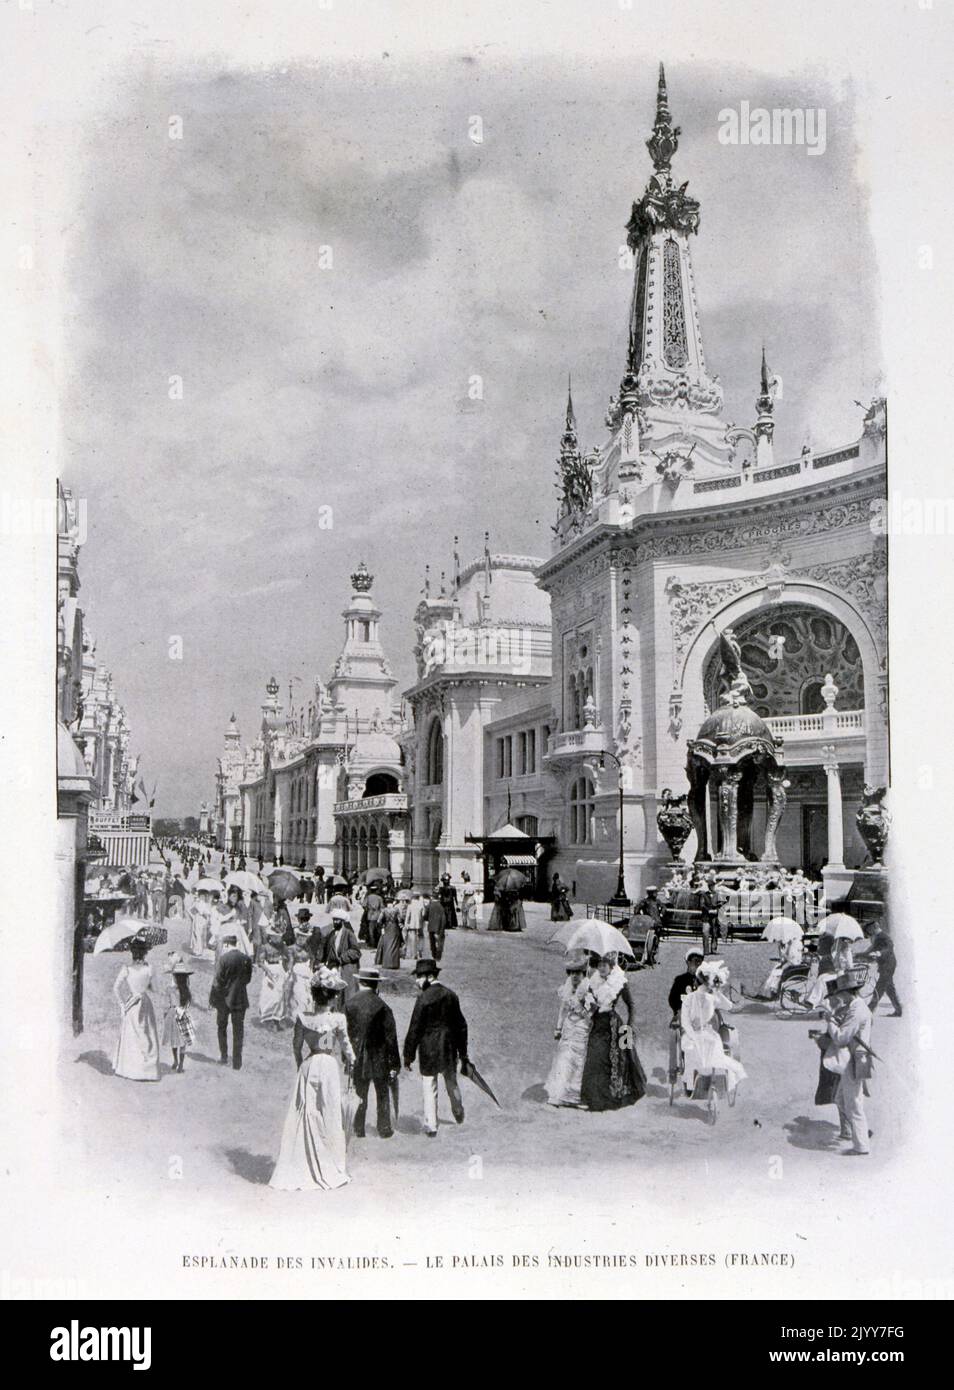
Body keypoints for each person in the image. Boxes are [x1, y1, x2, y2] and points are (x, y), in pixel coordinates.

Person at [269, 966, 355, 1191]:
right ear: (333, 997)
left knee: (306, 1112)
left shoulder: (303, 1019)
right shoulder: (336, 1019)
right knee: (328, 1111)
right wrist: (352, 1061)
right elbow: (344, 1046)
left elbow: (296, 1046)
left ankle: (303, 1160)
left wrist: (301, 1064)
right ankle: (330, 1163)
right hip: (326, 1065)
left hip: (308, 1065)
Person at [403, 958, 469, 1137]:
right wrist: (463, 1054)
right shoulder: (451, 995)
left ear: (429, 977)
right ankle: (458, 1110)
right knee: (451, 1081)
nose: (417, 981)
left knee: (429, 1085)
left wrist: (408, 1056)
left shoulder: (423, 999)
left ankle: (431, 1125)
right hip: (448, 1048)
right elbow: (461, 1026)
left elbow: (414, 1029)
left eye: (419, 977)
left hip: (428, 1049)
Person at [816, 968, 874, 1154]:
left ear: (848, 992)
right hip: (855, 1058)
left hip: (855, 1060)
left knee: (853, 1104)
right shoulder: (857, 1006)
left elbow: (841, 1038)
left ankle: (861, 1146)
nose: (839, 997)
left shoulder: (857, 1009)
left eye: (840, 993)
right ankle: (861, 1134)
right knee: (841, 1099)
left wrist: (830, 1021)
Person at [579, 953, 646, 1111]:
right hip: (597, 1024)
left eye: (605, 965)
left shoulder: (619, 981)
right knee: (594, 1058)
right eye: (599, 965)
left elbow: (631, 1005)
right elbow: (585, 1001)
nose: (601, 968)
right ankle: (592, 1097)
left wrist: (629, 1026)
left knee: (614, 1059)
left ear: (611, 966)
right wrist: (588, 1002)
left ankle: (609, 1098)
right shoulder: (593, 980)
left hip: (612, 1024)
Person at [345, 966, 400, 1139]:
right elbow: (391, 1039)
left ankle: (358, 1128)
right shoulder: (383, 1007)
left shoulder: (350, 1004)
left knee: (359, 1092)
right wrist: (394, 1064)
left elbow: (345, 1034)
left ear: (359, 982)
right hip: (379, 1057)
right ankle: (384, 1128)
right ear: (376, 985)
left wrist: (347, 1058)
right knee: (382, 1092)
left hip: (357, 1056)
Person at [680, 959, 746, 1099]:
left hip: (697, 1035)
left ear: (696, 982)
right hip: (706, 1035)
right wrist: (717, 992)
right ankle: (705, 1078)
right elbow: (729, 1006)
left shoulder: (691, 998)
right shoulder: (711, 998)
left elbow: (685, 1023)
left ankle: (694, 1082)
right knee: (711, 1048)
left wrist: (693, 1035)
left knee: (693, 1048)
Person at [544, 959, 593, 1107]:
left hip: (582, 1027)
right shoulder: (566, 988)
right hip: (568, 1027)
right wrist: (558, 1027)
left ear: (583, 973)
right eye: (572, 973)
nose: (574, 976)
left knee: (578, 1060)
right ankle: (558, 1094)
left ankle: (575, 1096)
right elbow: (563, 1009)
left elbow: (592, 1011)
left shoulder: (587, 988)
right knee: (564, 1059)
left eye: (578, 973)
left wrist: (581, 1009)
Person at [112, 937, 161, 1082]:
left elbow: (116, 988)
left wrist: (122, 1004)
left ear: (132, 953)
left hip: (132, 1003)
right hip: (144, 1003)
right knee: (147, 1032)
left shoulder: (126, 969)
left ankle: (130, 1068)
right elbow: (154, 988)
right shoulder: (149, 968)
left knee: (132, 1034)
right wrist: (147, 984)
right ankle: (147, 1069)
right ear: (145, 953)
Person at [209, 935, 253, 1070]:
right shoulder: (246, 959)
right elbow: (248, 979)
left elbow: (217, 981)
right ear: (236, 943)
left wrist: (212, 999)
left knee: (221, 1027)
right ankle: (237, 1063)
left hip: (223, 999)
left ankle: (223, 1056)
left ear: (227, 945)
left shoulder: (223, 959)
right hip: (240, 998)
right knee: (238, 1030)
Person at [160, 955, 196, 1073]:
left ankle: (175, 1061)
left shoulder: (169, 990)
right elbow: (189, 1003)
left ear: (174, 977)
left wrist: (165, 1015)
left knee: (174, 1041)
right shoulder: (187, 990)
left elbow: (166, 1004)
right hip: (183, 1015)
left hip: (172, 1014)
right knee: (183, 1041)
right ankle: (181, 1064)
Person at [322, 908, 362, 997]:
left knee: (348, 993)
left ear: (342, 921)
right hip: (335, 968)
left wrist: (341, 958)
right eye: (334, 920)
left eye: (338, 920)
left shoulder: (349, 933)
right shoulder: (331, 934)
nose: (335, 922)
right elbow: (327, 950)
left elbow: (356, 952)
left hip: (347, 967)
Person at [868, 930, 902, 1016]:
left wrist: (880, 953)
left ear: (874, 927)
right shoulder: (876, 937)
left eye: (869, 930)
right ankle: (898, 1010)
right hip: (885, 966)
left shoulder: (884, 936)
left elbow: (889, 948)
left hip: (888, 966)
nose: (868, 933)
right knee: (889, 989)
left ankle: (869, 1010)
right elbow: (871, 950)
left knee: (879, 988)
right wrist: (858, 955)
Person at [668, 948, 703, 1016]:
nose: (698, 964)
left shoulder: (703, 981)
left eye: (700, 962)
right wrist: (678, 1010)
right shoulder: (680, 980)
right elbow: (672, 999)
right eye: (695, 961)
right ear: (688, 962)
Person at [258, 951, 289, 1030]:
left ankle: (276, 1019)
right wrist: (267, 971)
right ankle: (268, 1020)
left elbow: (287, 959)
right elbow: (259, 962)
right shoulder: (265, 947)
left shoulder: (282, 947)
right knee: (269, 996)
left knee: (279, 997)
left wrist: (286, 971)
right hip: (269, 970)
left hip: (279, 970)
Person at [375, 902, 404, 970]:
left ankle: (386, 963)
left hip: (387, 928)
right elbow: (400, 920)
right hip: (395, 928)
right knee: (394, 945)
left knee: (387, 945)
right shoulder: (396, 910)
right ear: (393, 903)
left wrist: (383, 926)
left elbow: (379, 921)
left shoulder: (384, 910)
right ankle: (394, 964)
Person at [424, 891, 447, 962]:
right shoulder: (441, 907)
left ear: (432, 897)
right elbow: (444, 919)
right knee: (440, 942)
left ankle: (433, 954)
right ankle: (438, 956)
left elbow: (425, 916)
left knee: (432, 942)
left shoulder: (429, 906)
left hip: (431, 927)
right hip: (439, 927)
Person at [403, 892, 425, 959]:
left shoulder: (410, 905)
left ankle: (413, 954)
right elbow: (423, 914)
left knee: (412, 940)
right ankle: (419, 952)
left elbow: (407, 916)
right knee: (420, 938)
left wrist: (406, 924)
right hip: (419, 924)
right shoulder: (421, 905)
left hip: (411, 925)